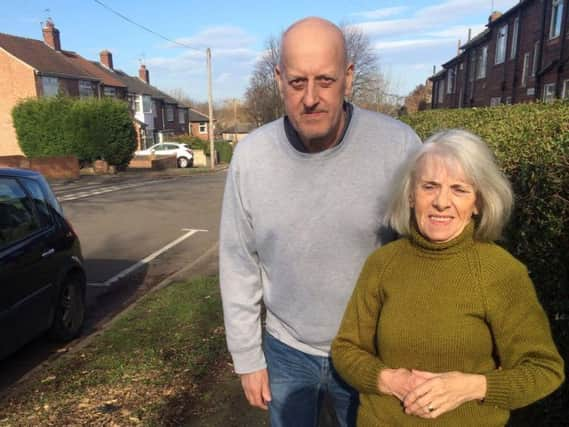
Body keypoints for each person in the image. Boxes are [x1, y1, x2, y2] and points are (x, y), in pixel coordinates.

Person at [219, 16, 421, 427]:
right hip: (286, 351)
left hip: (371, 352)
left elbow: (425, 257)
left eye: (325, 81)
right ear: (279, 80)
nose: (311, 98)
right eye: (297, 82)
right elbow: (239, 262)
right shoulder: (251, 159)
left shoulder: (398, 147)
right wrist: (246, 358)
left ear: (348, 77)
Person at [331, 129, 565, 426]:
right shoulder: (383, 263)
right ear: (411, 195)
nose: (442, 202)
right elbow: (346, 349)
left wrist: (472, 387)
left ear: (478, 202)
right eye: (429, 186)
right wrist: (390, 380)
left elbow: (544, 369)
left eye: (459, 189)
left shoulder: (501, 272)